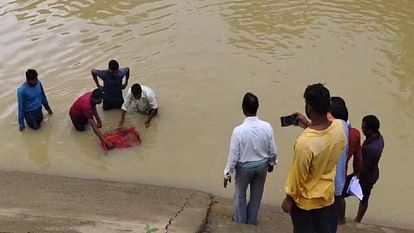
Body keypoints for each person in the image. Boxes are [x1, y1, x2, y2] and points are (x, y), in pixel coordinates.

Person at [282, 83, 347, 233]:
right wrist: (308, 125)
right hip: (327, 197)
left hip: (305, 205)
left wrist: (288, 200)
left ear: (309, 107)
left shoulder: (304, 143)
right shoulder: (339, 128)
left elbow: (297, 177)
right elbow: (324, 140)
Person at [223, 92, 278, 225]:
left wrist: (227, 173)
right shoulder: (267, 127)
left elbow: (233, 156)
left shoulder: (238, 131)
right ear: (257, 107)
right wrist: (271, 163)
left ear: (243, 109)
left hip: (244, 168)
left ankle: (241, 222)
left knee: (240, 195)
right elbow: (273, 150)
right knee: (256, 195)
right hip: (261, 166)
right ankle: (252, 220)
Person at [354, 115, 384, 223]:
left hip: (366, 176)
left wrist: (355, 177)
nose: (362, 129)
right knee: (364, 198)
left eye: (363, 128)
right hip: (373, 173)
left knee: (342, 192)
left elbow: (363, 166)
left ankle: (348, 220)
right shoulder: (379, 137)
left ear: (370, 130)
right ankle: (358, 220)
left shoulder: (369, 149)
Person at [327, 96, 350, 232]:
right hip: (338, 185)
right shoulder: (344, 127)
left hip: (329, 186)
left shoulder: (335, 129)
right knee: (331, 225)